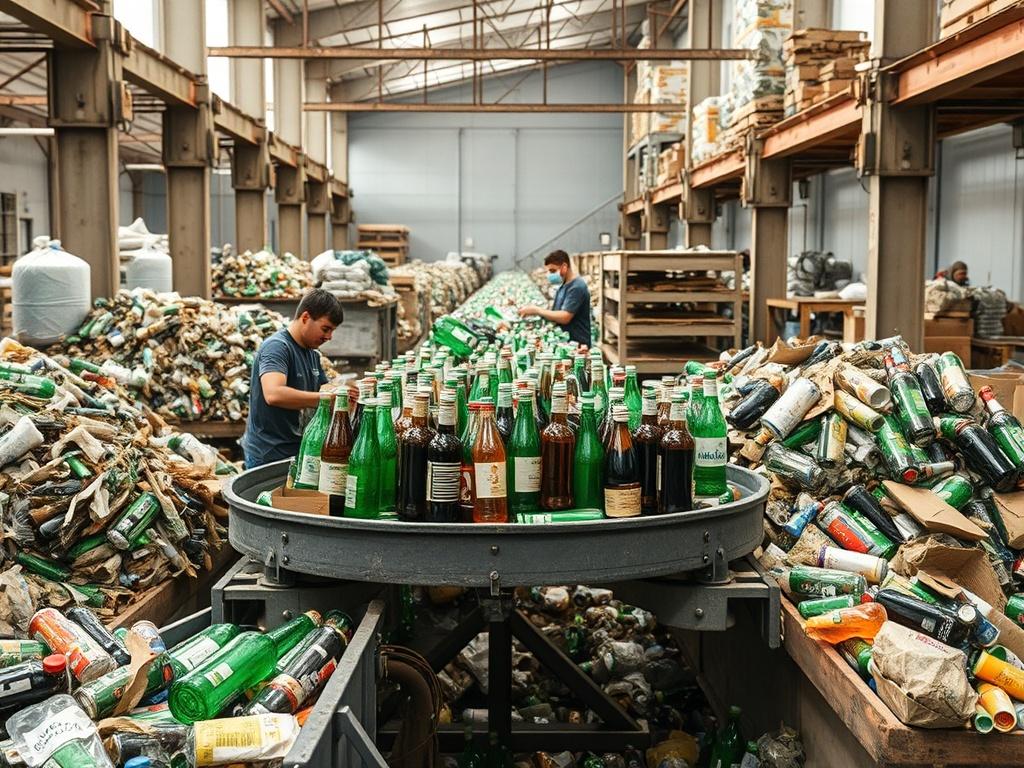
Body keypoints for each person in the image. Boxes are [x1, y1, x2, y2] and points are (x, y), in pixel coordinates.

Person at [241, 289, 345, 469]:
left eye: (332, 331)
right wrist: (326, 398)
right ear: (305, 317)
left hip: (295, 452)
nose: (329, 337)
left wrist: (346, 393)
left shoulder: (312, 354)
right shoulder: (277, 347)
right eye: (325, 329)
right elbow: (274, 394)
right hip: (269, 456)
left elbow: (325, 389)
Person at [519, 249, 592, 346]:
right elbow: (556, 312)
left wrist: (536, 310)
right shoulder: (564, 286)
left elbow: (565, 317)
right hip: (566, 342)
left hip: (577, 345)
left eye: (553, 270)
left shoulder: (576, 287)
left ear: (564, 267)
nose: (549, 274)